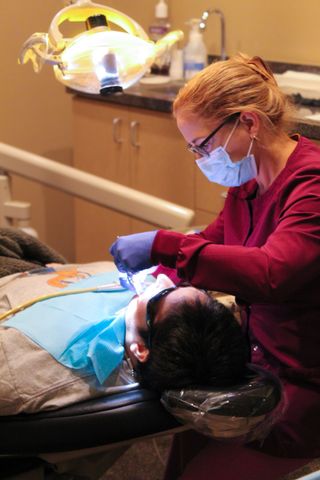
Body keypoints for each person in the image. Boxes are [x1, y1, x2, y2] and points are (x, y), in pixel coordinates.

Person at [110, 53, 320, 479]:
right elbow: (211, 242)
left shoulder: (311, 184)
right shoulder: (248, 182)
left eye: (203, 145)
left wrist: (163, 245)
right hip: (257, 360)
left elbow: (271, 272)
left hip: (305, 383)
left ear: (248, 122)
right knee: (185, 441)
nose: (200, 158)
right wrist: (155, 285)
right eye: (193, 149)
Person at [0, 230, 248, 415]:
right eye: (182, 286)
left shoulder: (24, 370)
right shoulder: (141, 306)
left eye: (161, 296)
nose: (161, 279)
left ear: (140, 348)